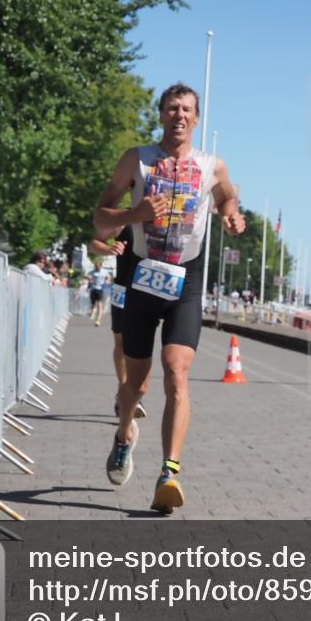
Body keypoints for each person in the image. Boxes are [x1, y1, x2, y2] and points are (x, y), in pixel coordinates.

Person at [93, 83, 246, 513]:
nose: (180, 115)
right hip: (143, 277)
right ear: (160, 114)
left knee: (176, 372)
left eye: (188, 110)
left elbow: (227, 195)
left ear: (197, 119)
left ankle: (169, 473)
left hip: (187, 279)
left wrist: (232, 214)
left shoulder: (211, 165)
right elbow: (100, 218)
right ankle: (124, 433)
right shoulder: (136, 159)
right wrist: (134, 215)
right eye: (172, 108)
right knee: (136, 385)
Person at [89, 227, 149, 420]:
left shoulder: (165, 219)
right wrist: (108, 249)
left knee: (142, 345)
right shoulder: (124, 219)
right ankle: (124, 390)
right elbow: (94, 243)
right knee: (121, 344)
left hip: (149, 288)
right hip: (122, 288)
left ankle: (134, 394)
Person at [87, 261, 108, 326]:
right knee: (93, 304)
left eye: (98, 266)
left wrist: (107, 281)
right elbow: (87, 276)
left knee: (99, 305)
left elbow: (108, 278)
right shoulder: (92, 272)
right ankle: (93, 313)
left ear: (101, 266)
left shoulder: (104, 272)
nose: (96, 268)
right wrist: (89, 278)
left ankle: (98, 320)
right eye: (95, 266)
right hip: (93, 289)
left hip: (100, 289)